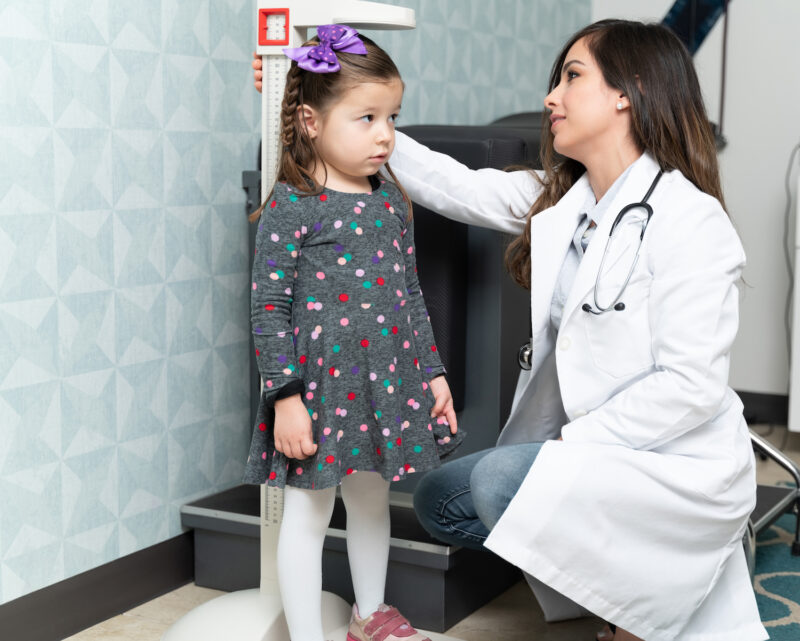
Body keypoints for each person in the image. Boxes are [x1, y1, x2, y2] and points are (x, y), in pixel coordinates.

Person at [246, 24, 463, 641]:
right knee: (310, 511)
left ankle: (370, 615)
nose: (386, 134)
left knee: (370, 499)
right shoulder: (294, 205)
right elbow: (268, 308)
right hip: (316, 392)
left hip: (383, 386)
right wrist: (285, 397)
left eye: (392, 116)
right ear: (311, 122)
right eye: (366, 117)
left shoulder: (391, 202)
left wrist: (433, 371)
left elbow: (410, 297)